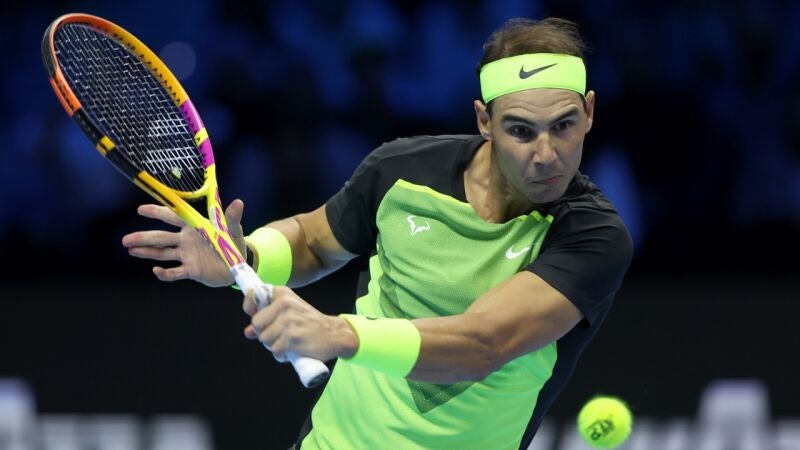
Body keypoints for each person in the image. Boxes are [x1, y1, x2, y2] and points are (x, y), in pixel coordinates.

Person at [122, 17, 633, 450]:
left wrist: (340, 334)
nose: (546, 154)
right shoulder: (402, 169)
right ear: (485, 120)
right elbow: (312, 240)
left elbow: (484, 343)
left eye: (563, 126)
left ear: (589, 112)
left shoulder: (592, 235)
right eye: (521, 130)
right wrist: (250, 256)